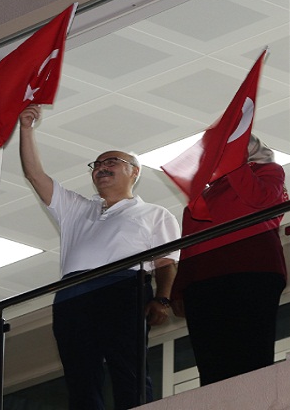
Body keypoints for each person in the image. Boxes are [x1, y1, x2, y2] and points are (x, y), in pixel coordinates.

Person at [17, 104, 180, 409]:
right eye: (96, 164)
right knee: (80, 375)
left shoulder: (154, 213)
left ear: (135, 171)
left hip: (124, 288)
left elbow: (166, 262)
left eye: (112, 162)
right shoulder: (77, 208)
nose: (101, 167)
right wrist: (27, 129)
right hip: (73, 293)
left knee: (128, 368)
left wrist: (163, 298)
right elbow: (34, 174)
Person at [170, 134, 288, 386]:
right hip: (202, 282)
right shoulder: (201, 195)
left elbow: (260, 199)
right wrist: (179, 289)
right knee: (211, 365)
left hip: (251, 272)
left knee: (251, 358)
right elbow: (189, 244)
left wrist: (235, 165)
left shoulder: (269, 171)